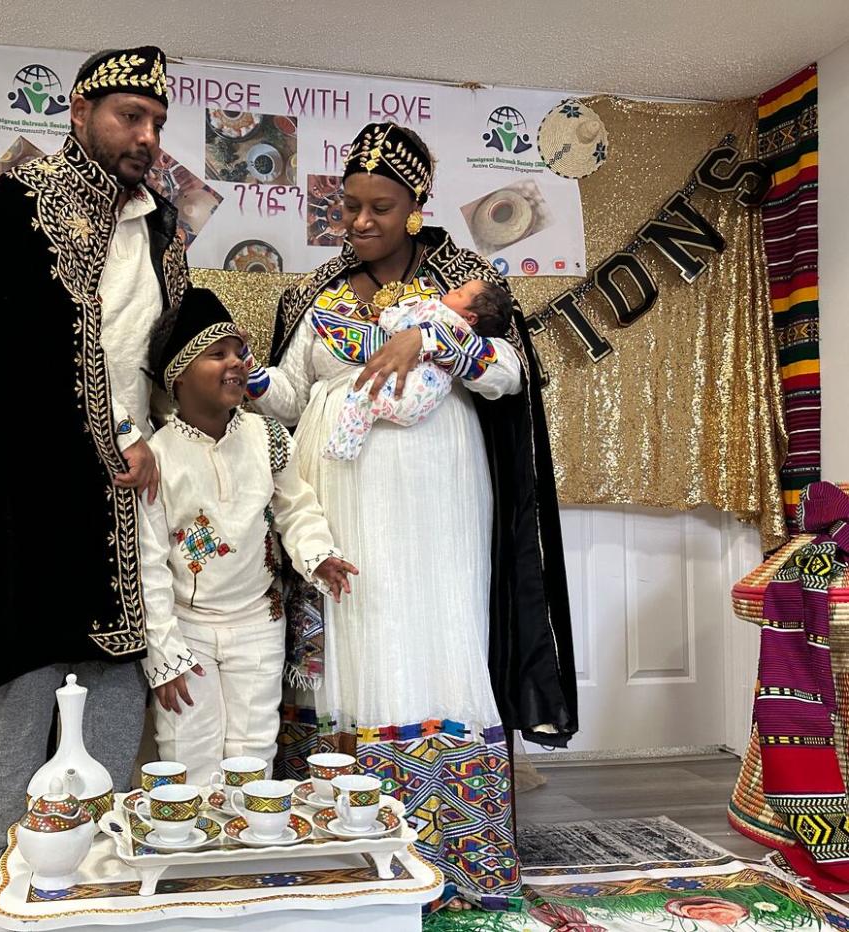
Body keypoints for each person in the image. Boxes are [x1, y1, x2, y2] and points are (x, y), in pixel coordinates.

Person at [245, 121, 576, 903]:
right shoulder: (314, 292)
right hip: (334, 498)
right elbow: (293, 397)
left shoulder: (462, 280)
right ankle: (335, 851)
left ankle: (447, 852)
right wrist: (251, 384)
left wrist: (432, 343)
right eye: (349, 207)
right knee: (345, 631)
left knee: (428, 626)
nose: (360, 223)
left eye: (379, 208)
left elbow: (508, 376)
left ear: (416, 208)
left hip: (435, 500)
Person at [0, 45, 189, 873]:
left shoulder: (162, 222)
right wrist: (105, 436)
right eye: (128, 116)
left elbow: (160, 345)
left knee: (114, 661)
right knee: (26, 660)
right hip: (27, 477)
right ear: (79, 113)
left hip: (127, 479)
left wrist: (164, 429)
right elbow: (18, 351)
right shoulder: (26, 200)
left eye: (155, 122)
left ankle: (101, 847)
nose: (144, 136)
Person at [138, 288, 357, 785]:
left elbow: (296, 508)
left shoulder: (268, 437)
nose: (236, 363)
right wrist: (164, 652)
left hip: (258, 620)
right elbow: (149, 562)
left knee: (253, 750)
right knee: (187, 749)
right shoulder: (158, 455)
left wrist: (318, 555)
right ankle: (193, 856)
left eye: (239, 351)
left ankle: (245, 848)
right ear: (179, 373)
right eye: (217, 354)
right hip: (187, 629)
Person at [319, 278, 513, 460]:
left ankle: (342, 448)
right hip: (425, 404)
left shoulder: (435, 307)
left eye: (459, 292)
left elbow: (510, 371)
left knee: (361, 394)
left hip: (403, 398)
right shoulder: (473, 341)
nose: (452, 289)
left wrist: (393, 318)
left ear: (471, 317)